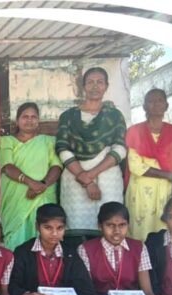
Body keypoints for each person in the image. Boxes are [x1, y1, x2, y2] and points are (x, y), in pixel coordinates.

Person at [55, 67, 127, 230]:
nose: (95, 86)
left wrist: (90, 176)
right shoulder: (68, 116)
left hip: (108, 178)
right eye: (90, 82)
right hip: (75, 178)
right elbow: (62, 148)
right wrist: (86, 180)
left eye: (100, 82)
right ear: (83, 86)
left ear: (106, 86)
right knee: (77, 225)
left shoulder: (115, 115)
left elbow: (120, 148)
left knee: (110, 224)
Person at [125, 88, 172, 241]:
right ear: (144, 106)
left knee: (165, 234)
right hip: (141, 192)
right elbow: (135, 166)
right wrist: (168, 175)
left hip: (166, 190)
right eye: (151, 101)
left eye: (160, 100)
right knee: (140, 234)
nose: (156, 104)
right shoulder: (135, 131)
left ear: (166, 106)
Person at [0, 102, 62, 249]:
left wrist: (42, 186)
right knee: (15, 240)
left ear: (38, 120)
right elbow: (7, 167)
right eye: (25, 117)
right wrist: (31, 183)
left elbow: (57, 167)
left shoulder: (48, 141)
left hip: (43, 197)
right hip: (15, 199)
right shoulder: (6, 141)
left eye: (33, 117)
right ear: (17, 121)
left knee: (43, 235)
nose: (29, 120)